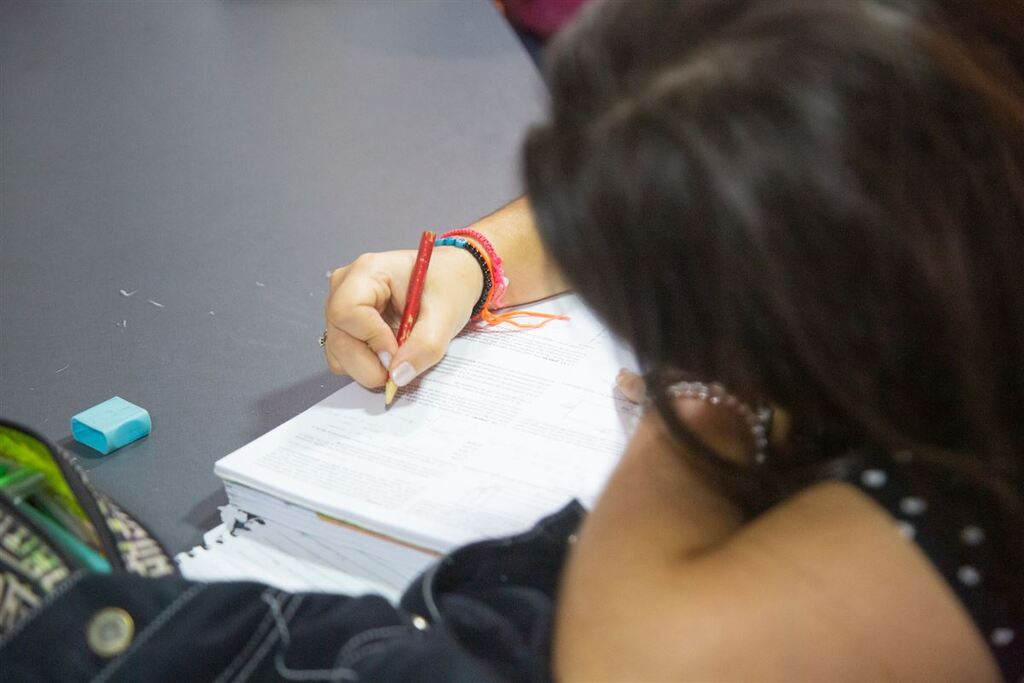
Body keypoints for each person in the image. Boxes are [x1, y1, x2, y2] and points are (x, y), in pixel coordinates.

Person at [324, 0, 1024, 680]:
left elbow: (622, 657)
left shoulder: (958, 504)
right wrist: (471, 260)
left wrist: (699, 394)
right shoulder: (951, 157)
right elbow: (699, 152)